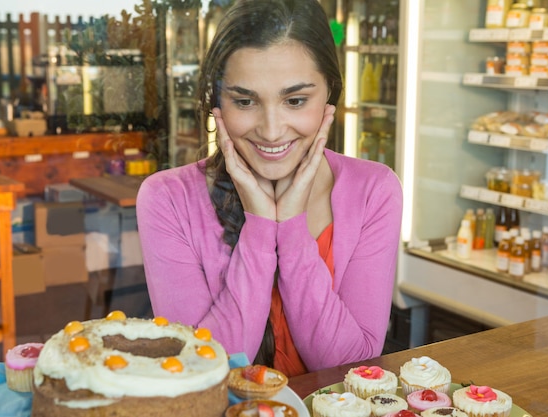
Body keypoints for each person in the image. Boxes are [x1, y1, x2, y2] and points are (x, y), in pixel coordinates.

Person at [137, 0, 403, 377]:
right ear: (217, 104)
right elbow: (201, 372)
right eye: (245, 101)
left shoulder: (375, 190)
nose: (272, 130)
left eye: (295, 100)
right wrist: (261, 227)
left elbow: (352, 370)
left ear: (330, 94)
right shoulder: (167, 199)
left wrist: (291, 227)